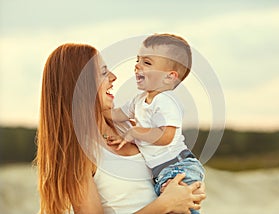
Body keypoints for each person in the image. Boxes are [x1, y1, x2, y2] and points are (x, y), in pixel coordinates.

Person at [35, 43, 206, 214]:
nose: (113, 77)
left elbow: (170, 165)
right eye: (103, 73)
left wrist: (190, 187)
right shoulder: (78, 151)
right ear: (80, 84)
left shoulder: (129, 125)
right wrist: (165, 204)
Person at [103, 34, 205, 214]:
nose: (137, 66)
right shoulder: (139, 100)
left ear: (169, 77)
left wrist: (134, 132)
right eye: (138, 60)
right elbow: (117, 114)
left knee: (181, 209)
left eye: (147, 63)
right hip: (162, 171)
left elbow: (166, 136)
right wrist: (92, 107)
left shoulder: (166, 101)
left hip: (179, 167)